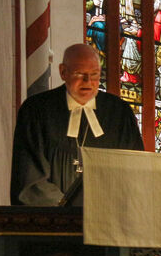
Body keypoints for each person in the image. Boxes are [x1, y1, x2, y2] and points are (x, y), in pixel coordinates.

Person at [11, 43, 144, 206]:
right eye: (80, 74)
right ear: (63, 72)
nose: (88, 81)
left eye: (94, 74)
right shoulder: (37, 110)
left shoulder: (119, 113)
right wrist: (67, 209)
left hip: (108, 220)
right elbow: (30, 179)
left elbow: (134, 172)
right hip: (53, 221)